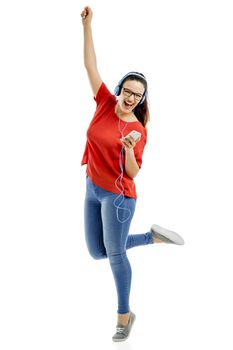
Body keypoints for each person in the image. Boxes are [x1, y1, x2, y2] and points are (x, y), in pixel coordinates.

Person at [80, 6, 185, 342]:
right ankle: (152, 237)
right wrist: (88, 26)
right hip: (91, 187)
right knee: (97, 251)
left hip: (118, 197)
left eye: (137, 95)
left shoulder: (138, 129)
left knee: (114, 255)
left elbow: (133, 173)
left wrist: (127, 148)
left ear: (141, 99)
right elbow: (90, 65)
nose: (130, 97)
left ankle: (124, 315)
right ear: (121, 87)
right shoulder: (103, 103)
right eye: (127, 89)